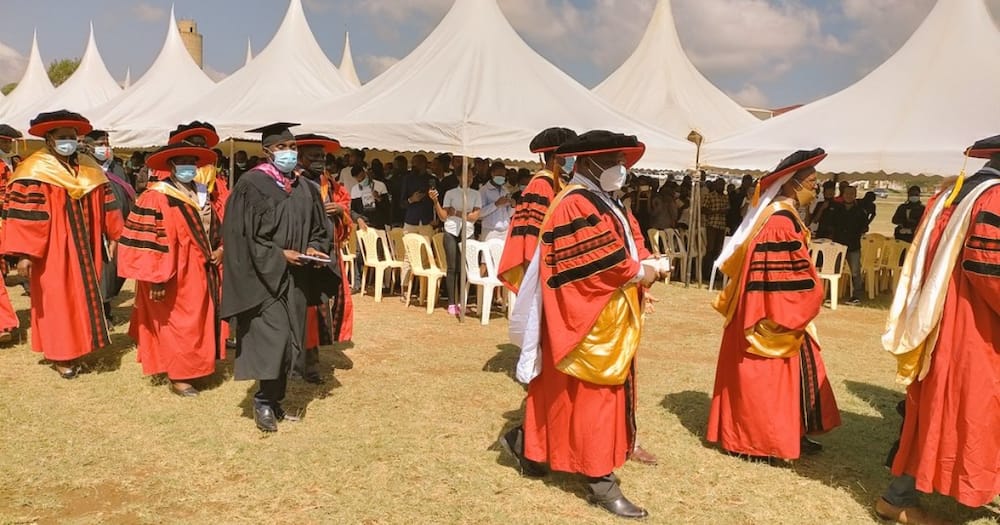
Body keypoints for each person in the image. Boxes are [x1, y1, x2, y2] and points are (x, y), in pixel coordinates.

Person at [502, 130, 669, 519]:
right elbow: (602, 262)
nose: (621, 168)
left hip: (602, 313)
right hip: (583, 319)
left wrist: (645, 268)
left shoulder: (606, 200)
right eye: (614, 161)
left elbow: (629, 244)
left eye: (622, 161)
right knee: (590, 398)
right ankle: (601, 482)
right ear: (588, 163)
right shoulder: (574, 204)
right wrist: (646, 271)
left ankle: (527, 446)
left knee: (562, 397)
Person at [877, 136, 1000, 524]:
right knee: (975, 411)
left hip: (940, 321)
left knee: (930, 411)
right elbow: (988, 269)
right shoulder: (995, 198)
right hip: (975, 325)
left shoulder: (952, 191)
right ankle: (896, 499)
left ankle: (895, 498)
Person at [707, 148, 841, 463]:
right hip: (769, 313)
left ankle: (790, 428)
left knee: (799, 369)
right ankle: (754, 441)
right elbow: (786, 276)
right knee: (763, 377)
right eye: (811, 182)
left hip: (772, 306)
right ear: (791, 185)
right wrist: (808, 296)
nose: (816, 188)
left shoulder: (781, 215)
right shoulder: (780, 222)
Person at [221, 123, 335, 432]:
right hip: (263, 278)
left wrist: (315, 247)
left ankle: (276, 400)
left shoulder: (304, 187)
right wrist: (279, 254)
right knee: (274, 339)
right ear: (267, 151)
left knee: (291, 343)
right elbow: (240, 236)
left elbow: (319, 228)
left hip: (296, 279)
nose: (289, 152)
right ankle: (262, 401)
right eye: (282, 147)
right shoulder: (251, 185)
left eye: (292, 146)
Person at [1, 110, 124, 378]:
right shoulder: (34, 170)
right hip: (51, 250)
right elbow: (26, 214)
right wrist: (24, 255)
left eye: (72, 136)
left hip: (86, 247)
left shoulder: (88, 166)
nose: (69, 141)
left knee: (81, 297)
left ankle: (79, 347)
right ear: (49, 139)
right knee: (57, 300)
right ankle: (60, 355)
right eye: (62, 137)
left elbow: (107, 201)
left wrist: (114, 234)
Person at [117, 143, 223, 397]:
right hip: (171, 271)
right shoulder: (156, 196)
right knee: (178, 323)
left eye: (192, 161)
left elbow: (216, 227)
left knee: (198, 320)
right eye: (182, 161)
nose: (188, 166)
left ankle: (196, 368)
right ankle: (180, 376)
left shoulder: (200, 192)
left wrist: (221, 248)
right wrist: (156, 280)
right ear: (171, 166)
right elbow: (147, 240)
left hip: (201, 269)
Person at [296, 133, 353, 383]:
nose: (320, 160)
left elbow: (345, 208)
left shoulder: (328, 182)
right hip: (298, 255)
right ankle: (294, 362)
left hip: (323, 257)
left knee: (316, 310)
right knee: (297, 310)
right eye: (314, 156)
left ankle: (311, 363)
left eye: (322, 156)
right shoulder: (290, 181)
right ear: (300, 157)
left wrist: (340, 212)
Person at [497, 127, 577, 291]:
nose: (572, 160)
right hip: (540, 263)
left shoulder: (558, 183)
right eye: (568, 156)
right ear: (555, 157)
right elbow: (532, 234)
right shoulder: (541, 185)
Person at [82, 129, 136, 326]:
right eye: (99, 144)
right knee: (100, 273)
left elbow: (128, 193)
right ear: (88, 146)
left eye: (106, 143)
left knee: (115, 272)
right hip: (96, 229)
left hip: (120, 226)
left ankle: (106, 307)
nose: (104, 148)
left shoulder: (117, 168)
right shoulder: (84, 167)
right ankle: (101, 314)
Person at [430, 179, 480, 316]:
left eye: (470, 176)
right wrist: (436, 202)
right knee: (452, 267)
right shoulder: (450, 193)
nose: (468, 179)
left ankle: (461, 301)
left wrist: (457, 213)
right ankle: (451, 302)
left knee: (464, 267)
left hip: (467, 232)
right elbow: (444, 216)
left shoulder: (476, 194)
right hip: (451, 231)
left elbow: (474, 216)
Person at [0, 124, 22, 342]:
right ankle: (3, 324)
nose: (7, 144)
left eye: (9, 141)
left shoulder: (17, 162)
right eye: (3, 141)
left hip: (13, 220)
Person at [828, 186, 870, 304]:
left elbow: (865, 227)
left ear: (855, 195)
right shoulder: (836, 209)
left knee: (855, 271)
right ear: (843, 195)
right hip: (838, 245)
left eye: (852, 194)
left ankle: (856, 296)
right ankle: (832, 295)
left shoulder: (860, 211)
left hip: (853, 245)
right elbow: (830, 225)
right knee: (835, 270)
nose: (849, 196)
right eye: (847, 193)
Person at [478, 161, 514, 242]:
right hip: (491, 231)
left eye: (503, 175)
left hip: (505, 230)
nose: (501, 177)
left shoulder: (505, 190)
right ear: (492, 174)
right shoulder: (484, 190)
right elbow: (479, 213)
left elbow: (508, 214)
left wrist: (512, 206)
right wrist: (496, 204)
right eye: (499, 175)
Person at [702, 178, 730, 281]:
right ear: (715, 185)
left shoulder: (725, 197)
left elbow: (728, 209)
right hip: (712, 225)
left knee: (717, 251)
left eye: (722, 185)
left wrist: (724, 211)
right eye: (719, 185)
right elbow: (703, 209)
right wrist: (717, 211)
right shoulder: (709, 196)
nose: (721, 187)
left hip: (721, 226)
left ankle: (715, 273)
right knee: (710, 249)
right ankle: (706, 273)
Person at [350, 165, 391, 230]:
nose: (361, 180)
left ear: (365, 173)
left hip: (379, 224)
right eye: (358, 180)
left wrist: (378, 198)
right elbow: (353, 211)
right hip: (363, 225)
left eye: (362, 178)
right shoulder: (354, 189)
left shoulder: (380, 185)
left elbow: (387, 207)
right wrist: (359, 219)